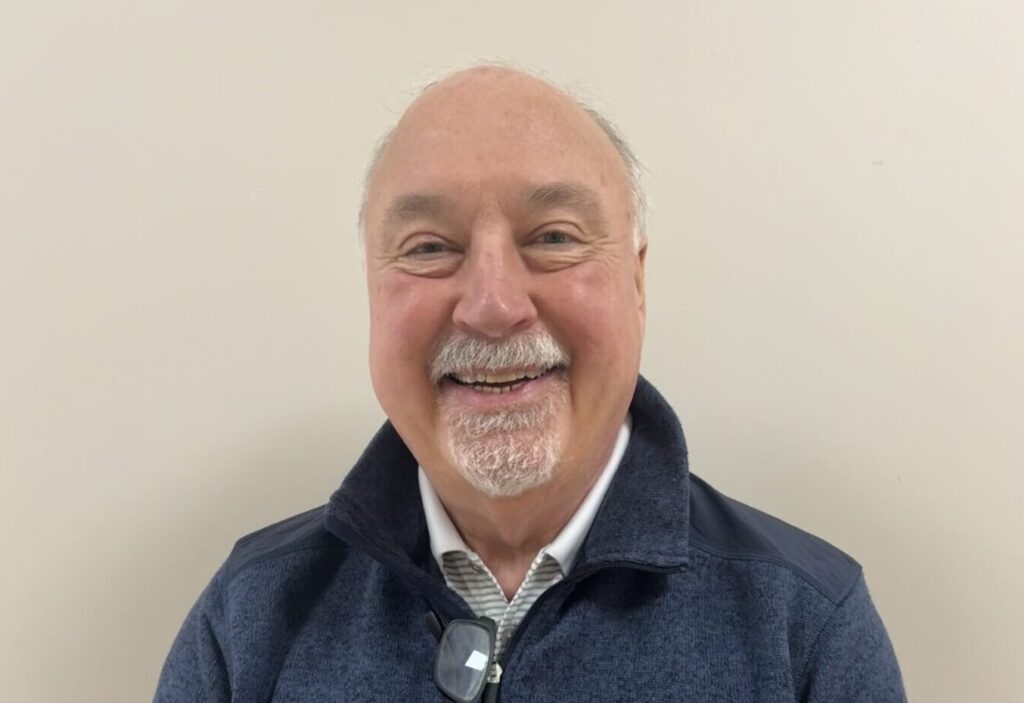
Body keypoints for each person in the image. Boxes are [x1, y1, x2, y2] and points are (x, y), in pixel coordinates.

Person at [154, 65, 905, 702]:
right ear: (372, 291)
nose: (492, 305)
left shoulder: (805, 628)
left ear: (636, 283)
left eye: (553, 237)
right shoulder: (250, 618)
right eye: (429, 247)